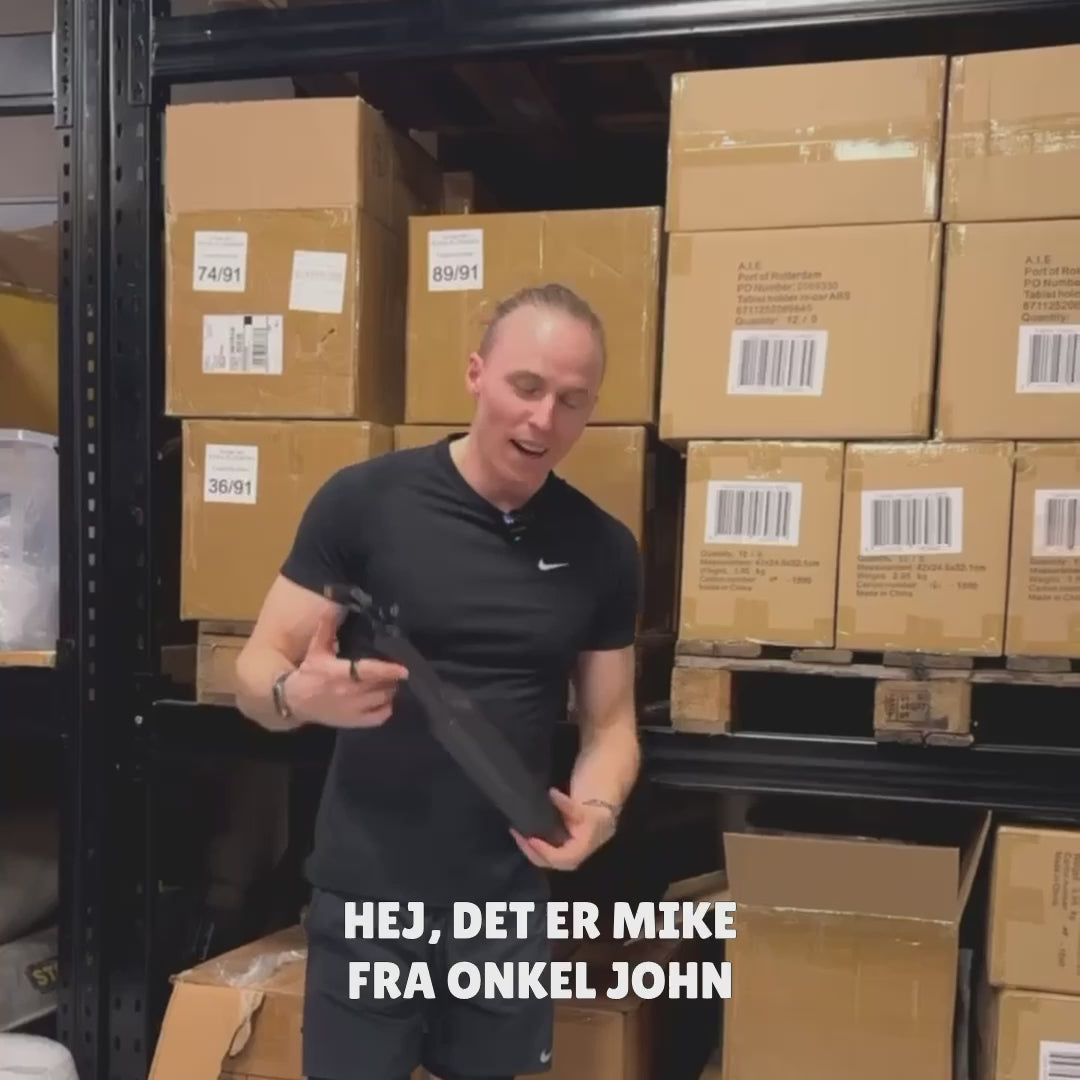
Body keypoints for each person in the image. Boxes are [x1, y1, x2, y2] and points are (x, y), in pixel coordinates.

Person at [233, 282, 642, 1080]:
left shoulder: (603, 549)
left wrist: (598, 812)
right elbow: (255, 670)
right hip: (369, 894)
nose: (543, 420)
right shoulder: (364, 504)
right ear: (476, 374)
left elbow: (611, 727)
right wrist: (296, 696)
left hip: (502, 899)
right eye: (526, 386)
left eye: (571, 401)